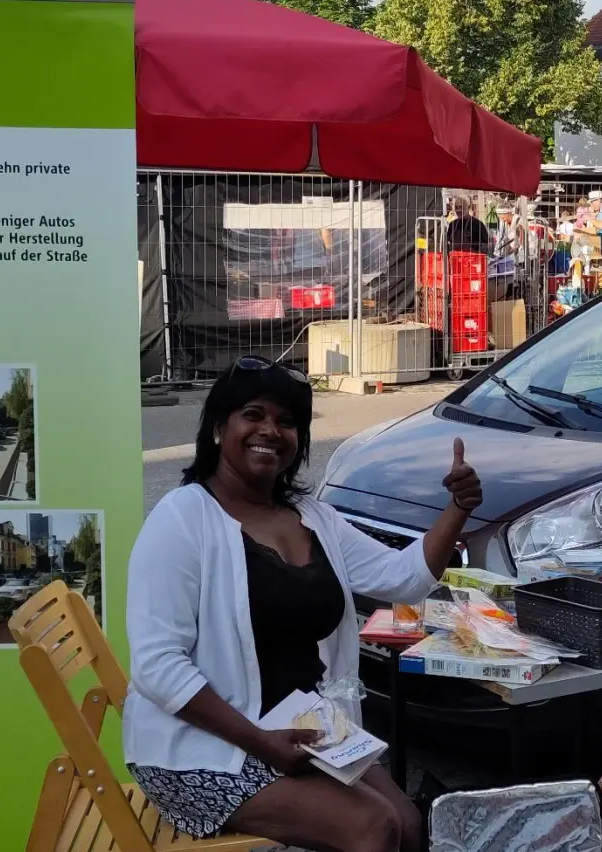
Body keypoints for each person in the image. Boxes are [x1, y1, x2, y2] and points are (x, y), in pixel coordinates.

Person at [124, 356, 484, 852]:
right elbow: (156, 667)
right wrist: (260, 743)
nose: (270, 430)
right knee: (372, 828)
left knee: (406, 825)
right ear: (218, 427)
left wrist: (459, 509)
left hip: (300, 728)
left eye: (287, 421)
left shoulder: (311, 517)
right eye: (253, 414)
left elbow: (404, 579)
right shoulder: (182, 520)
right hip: (198, 751)